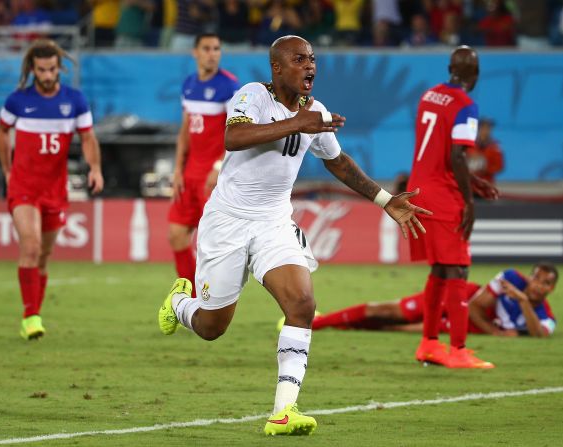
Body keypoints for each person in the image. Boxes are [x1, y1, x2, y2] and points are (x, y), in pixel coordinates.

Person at [157, 35, 431, 436]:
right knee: (212, 327)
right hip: (227, 221)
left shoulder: (314, 112)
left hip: (273, 222)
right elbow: (233, 137)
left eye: (313, 60)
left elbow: (337, 162)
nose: (310, 67)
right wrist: (297, 123)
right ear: (277, 68)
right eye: (300, 60)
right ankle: (179, 303)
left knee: (302, 302)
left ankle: (284, 410)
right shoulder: (252, 95)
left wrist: (384, 199)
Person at [0, 39, 103, 340]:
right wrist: (6, 169)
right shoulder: (17, 101)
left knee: (43, 254)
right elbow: (2, 132)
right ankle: (30, 316)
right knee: (29, 247)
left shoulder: (75, 101)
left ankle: (34, 313)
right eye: (41, 70)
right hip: (24, 186)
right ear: (32, 69)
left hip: (55, 189)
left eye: (51, 69)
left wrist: (95, 168)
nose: (46, 75)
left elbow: (89, 138)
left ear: (59, 68)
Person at [406, 45, 499, 369]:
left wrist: (473, 182)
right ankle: (458, 349)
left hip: (420, 188)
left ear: (449, 68)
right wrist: (469, 200)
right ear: (474, 74)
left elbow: (440, 152)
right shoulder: (465, 106)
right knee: (458, 269)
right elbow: (457, 154)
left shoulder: (429, 95)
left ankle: (429, 344)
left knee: (440, 269)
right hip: (443, 195)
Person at [168, 33, 240, 297]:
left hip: (216, 175)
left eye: (217, 48)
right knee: (176, 234)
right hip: (190, 173)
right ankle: (192, 298)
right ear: (195, 52)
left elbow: (237, 131)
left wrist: (219, 166)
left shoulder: (230, 87)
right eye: (207, 48)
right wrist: (178, 169)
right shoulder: (189, 84)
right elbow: (186, 129)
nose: (213, 53)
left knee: (212, 243)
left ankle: (216, 300)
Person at [310, 263, 558, 338]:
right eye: (536, 278)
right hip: (459, 298)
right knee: (390, 311)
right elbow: (473, 306)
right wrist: (493, 331)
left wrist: (524, 302)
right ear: (530, 276)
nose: (537, 284)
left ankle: (341, 324)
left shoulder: (546, 316)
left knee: (395, 329)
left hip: (469, 324)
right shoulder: (511, 278)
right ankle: (316, 323)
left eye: (545, 282)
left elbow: (539, 335)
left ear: (552, 288)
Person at [466, 117, 504, 186]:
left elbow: (499, 166)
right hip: (469, 185)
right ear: (478, 129)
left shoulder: (495, 146)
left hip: (486, 184)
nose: (485, 131)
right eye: (483, 128)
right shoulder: (469, 144)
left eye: (488, 128)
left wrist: (485, 167)